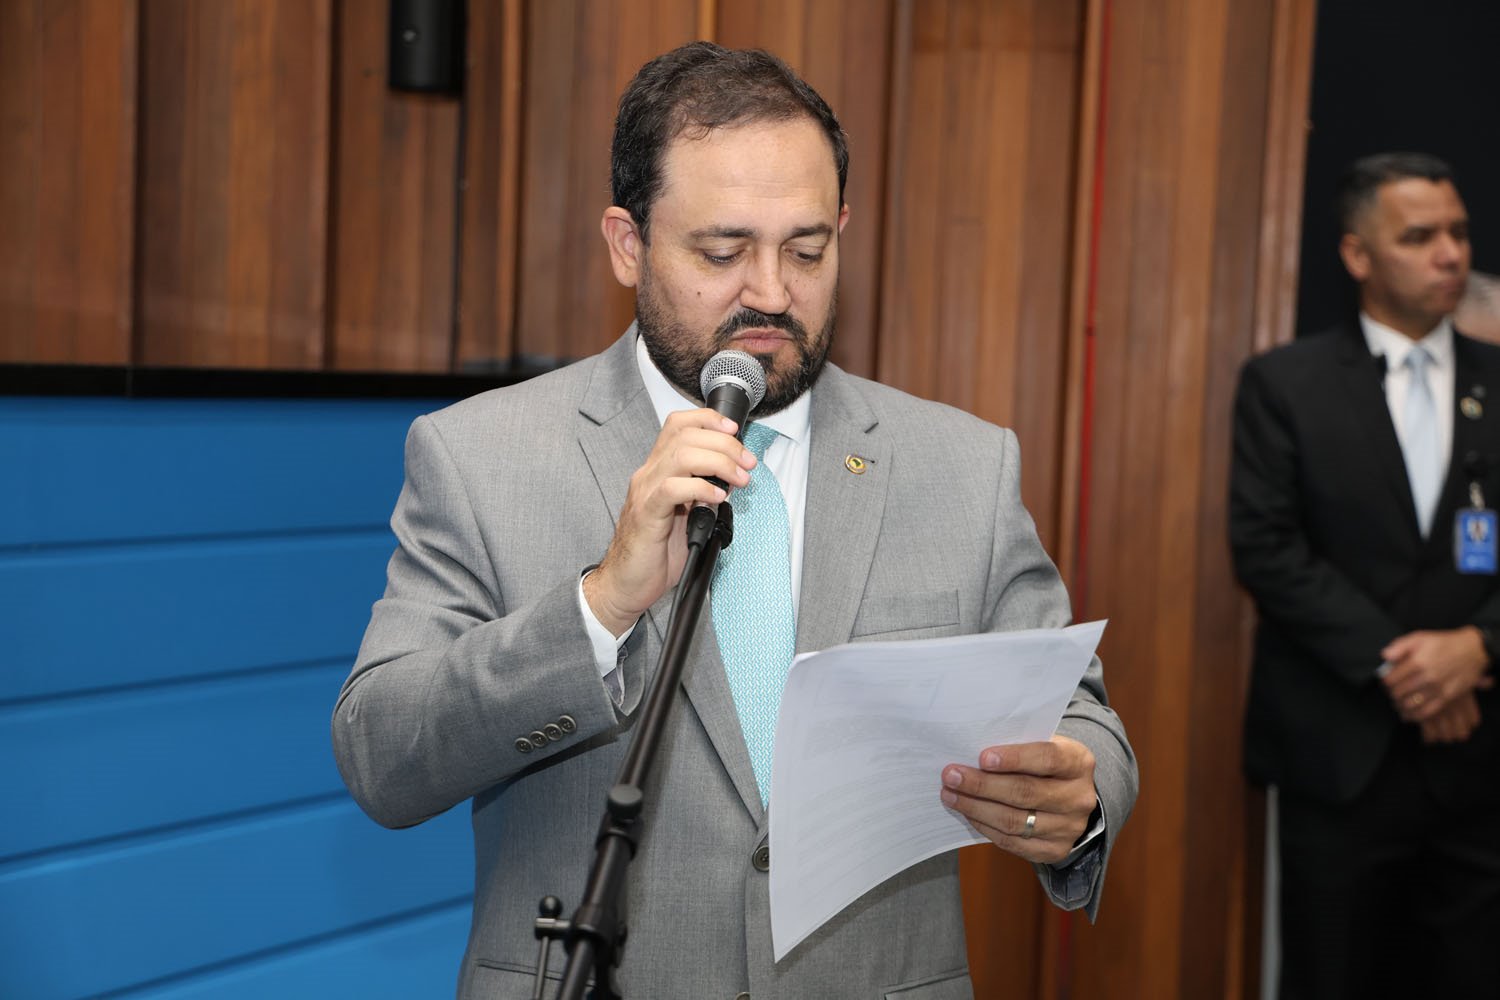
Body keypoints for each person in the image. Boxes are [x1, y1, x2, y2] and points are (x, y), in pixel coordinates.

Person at [334, 42, 1136, 998]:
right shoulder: (479, 457)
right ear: (628, 244)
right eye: (722, 252)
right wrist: (599, 607)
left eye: (807, 250)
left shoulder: (961, 464)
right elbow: (383, 756)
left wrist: (1079, 797)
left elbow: (1079, 715)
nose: (771, 292)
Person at [1231, 152, 1500, 999]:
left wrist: (1478, 647)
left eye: (1458, 232)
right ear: (1356, 254)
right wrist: (1409, 667)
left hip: (1481, 759)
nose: (1450, 254)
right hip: (1339, 754)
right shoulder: (1285, 384)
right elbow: (1267, 550)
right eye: (1419, 237)